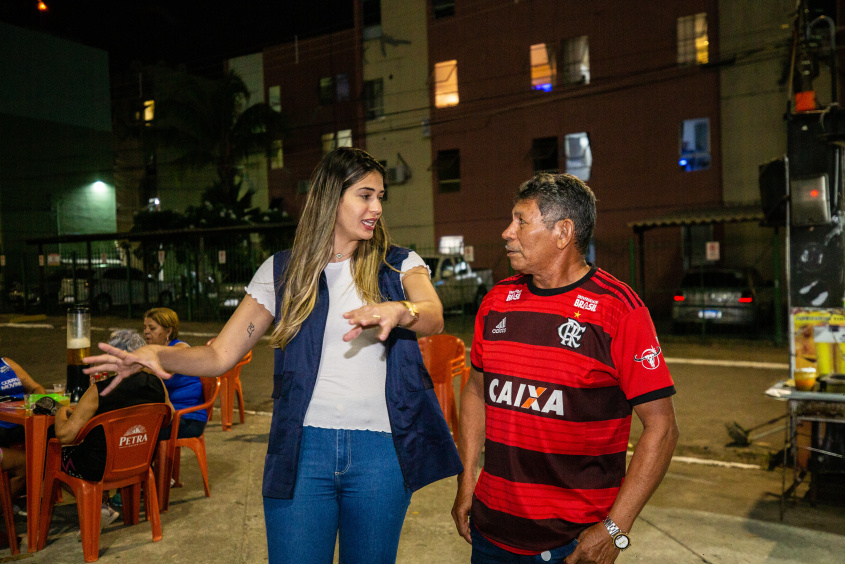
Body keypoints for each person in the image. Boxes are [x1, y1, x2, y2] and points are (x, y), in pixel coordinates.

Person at [83, 147, 463, 563]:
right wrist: (159, 354)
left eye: (380, 196)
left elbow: (433, 315)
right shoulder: (282, 271)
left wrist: (397, 310)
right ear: (330, 198)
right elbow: (219, 355)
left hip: (381, 454)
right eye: (365, 195)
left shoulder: (399, 264)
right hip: (302, 450)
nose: (376, 207)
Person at [452, 173, 679, 564]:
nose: (507, 232)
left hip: (571, 546)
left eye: (521, 221)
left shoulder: (619, 310)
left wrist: (615, 529)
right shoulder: (496, 302)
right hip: (490, 534)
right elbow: (475, 390)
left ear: (563, 232)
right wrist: (466, 479)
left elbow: (662, 429)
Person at [52, 329, 173, 528]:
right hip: (140, 460)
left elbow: (65, 435)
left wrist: (60, 411)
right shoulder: (157, 384)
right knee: (101, 442)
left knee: (55, 455)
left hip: (100, 468)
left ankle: (95, 505)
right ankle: (102, 505)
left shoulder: (100, 390)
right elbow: (169, 416)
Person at [141, 308, 206, 442]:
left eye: (152, 328)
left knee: (137, 433)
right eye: (145, 327)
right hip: (168, 414)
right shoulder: (154, 351)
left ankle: (146, 463)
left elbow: (158, 370)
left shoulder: (180, 349)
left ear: (168, 331)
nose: (146, 331)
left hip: (188, 418)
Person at [0, 352, 47, 446]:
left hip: (25, 416)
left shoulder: (6, 362)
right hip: (4, 423)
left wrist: (36, 405)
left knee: (53, 426)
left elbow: (36, 388)